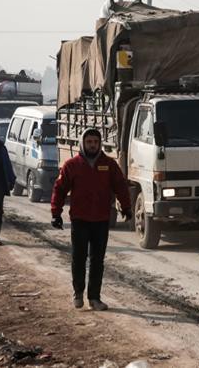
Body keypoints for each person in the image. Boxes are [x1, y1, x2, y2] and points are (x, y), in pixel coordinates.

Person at [50, 128, 132, 311]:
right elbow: (60, 189)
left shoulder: (109, 164)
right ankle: (78, 292)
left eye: (95, 142)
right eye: (89, 142)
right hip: (80, 219)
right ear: (83, 143)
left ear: (99, 144)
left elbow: (120, 185)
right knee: (78, 258)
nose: (92, 145)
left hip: (102, 219)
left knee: (97, 260)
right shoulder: (72, 165)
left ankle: (94, 298)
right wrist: (56, 213)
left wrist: (126, 207)